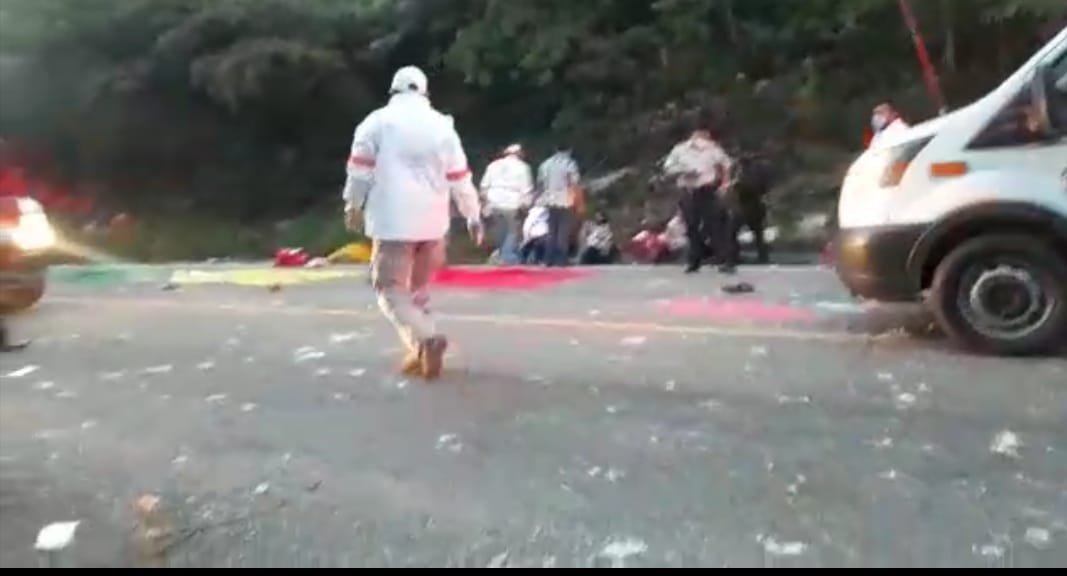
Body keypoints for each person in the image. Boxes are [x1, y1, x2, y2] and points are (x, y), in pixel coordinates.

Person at [342, 66, 483, 381]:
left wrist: (353, 204)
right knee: (418, 291)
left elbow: (359, 171)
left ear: (393, 90)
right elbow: (460, 177)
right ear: (425, 92)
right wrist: (473, 215)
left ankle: (425, 339)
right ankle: (419, 349)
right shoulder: (443, 126)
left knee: (390, 289)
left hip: (393, 223)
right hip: (434, 224)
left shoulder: (376, 122)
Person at [662, 118, 738, 274]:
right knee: (691, 226)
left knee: (715, 225)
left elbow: (726, 165)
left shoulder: (713, 149)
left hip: (707, 190)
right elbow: (668, 168)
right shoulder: (680, 150)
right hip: (687, 190)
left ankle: (724, 260)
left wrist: (724, 184)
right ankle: (695, 259)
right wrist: (683, 171)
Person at [480, 143, 533, 265]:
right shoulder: (523, 167)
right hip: (512, 203)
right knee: (512, 232)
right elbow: (526, 189)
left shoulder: (493, 165)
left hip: (494, 202)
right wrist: (526, 205)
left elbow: (484, 186)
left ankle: (501, 255)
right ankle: (507, 257)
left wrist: (484, 204)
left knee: (500, 232)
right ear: (519, 154)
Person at [536, 147, 582, 267]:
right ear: (568, 151)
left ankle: (548, 259)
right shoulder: (569, 163)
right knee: (563, 231)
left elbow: (540, 183)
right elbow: (574, 183)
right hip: (565, 200)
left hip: (549, 200)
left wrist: (540, 197)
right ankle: (560, 259)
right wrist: (578, 201)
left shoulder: (545, 164)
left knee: (551, 230)